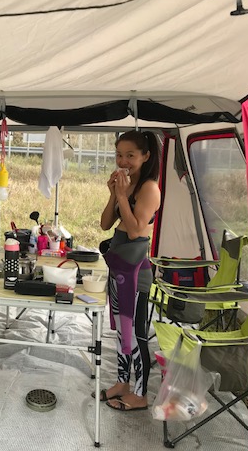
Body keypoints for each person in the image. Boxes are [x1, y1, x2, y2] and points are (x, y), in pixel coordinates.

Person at [97, 130, 161, 412]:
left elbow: (135, 231)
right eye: (119, 155)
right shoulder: (128, 185)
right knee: (121, 333)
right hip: (118, 268)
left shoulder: (149, 188)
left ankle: (141, 394)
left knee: (136, 335)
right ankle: (123, 382)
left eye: (130, 155)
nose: (123, 161)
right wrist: (114, 194)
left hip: (136, 273)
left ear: (145, 156)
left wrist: (122, 195)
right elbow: (105, 223)